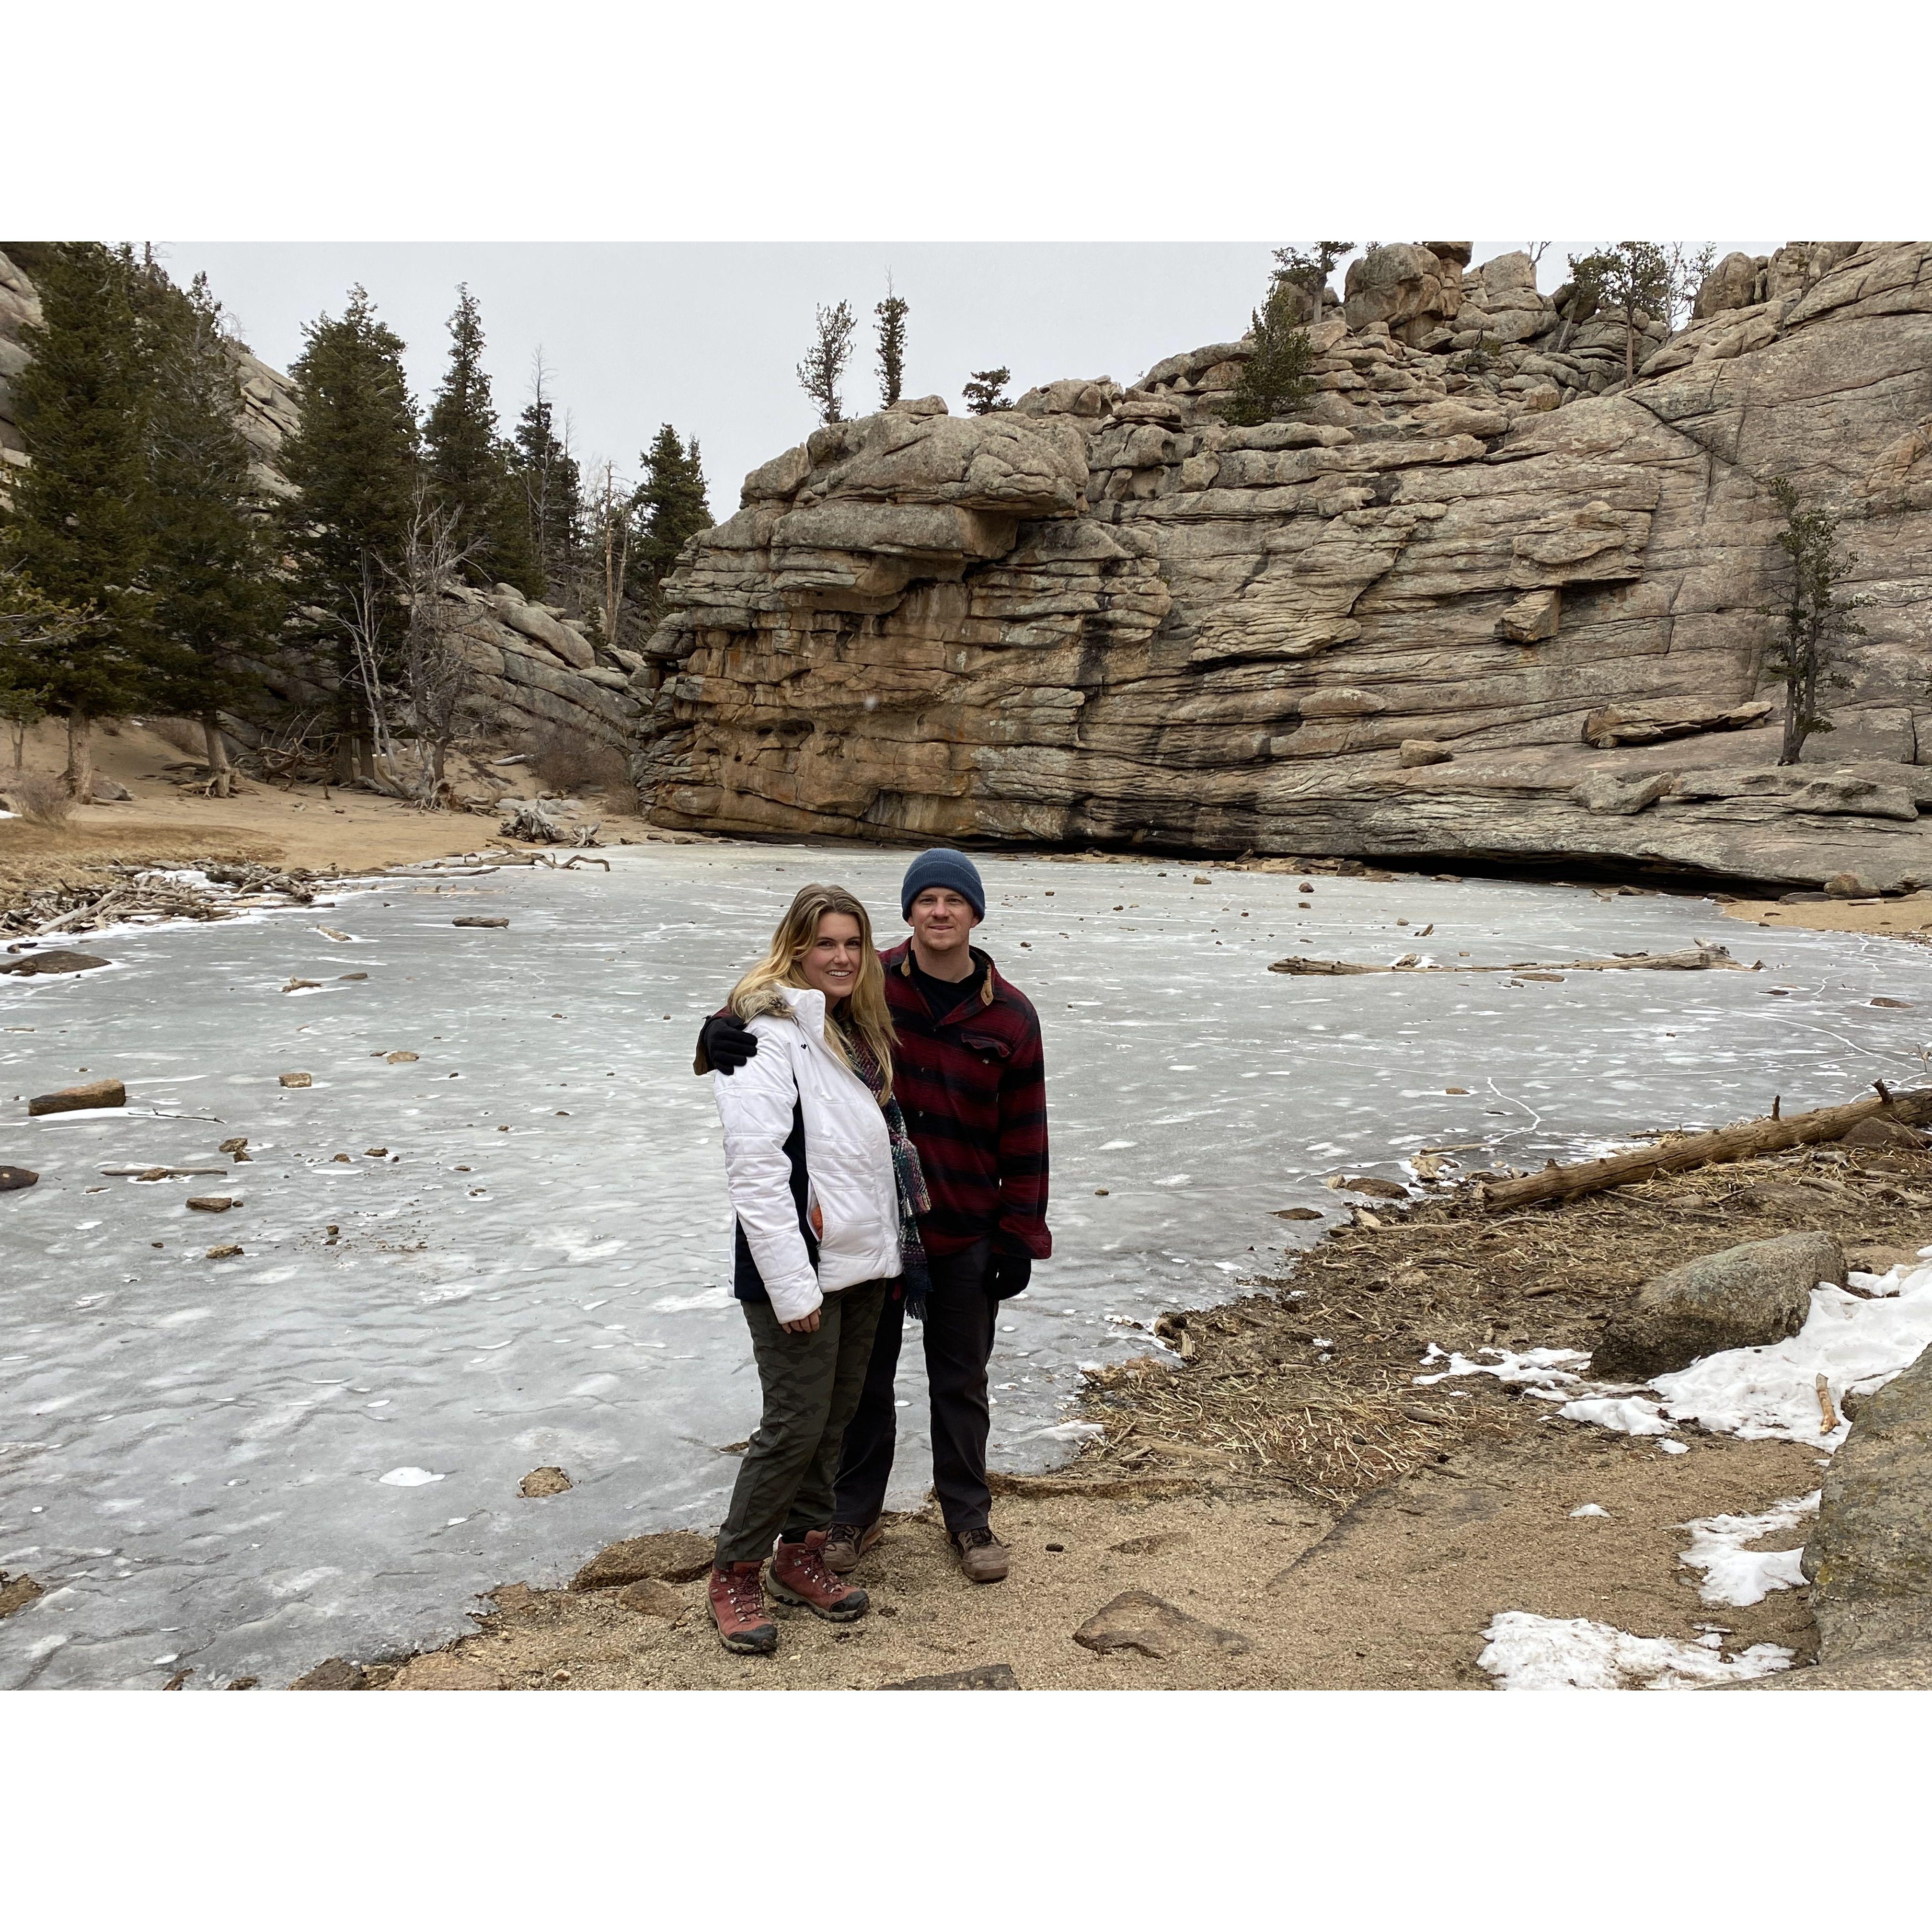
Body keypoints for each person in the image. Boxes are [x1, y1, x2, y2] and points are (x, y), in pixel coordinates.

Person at [702, 849, 1049, 1585]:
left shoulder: (1010, 1015)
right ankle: (851, 1516)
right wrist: (715, 1031)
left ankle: (968, 1517)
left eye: (955, 900)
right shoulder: (868, 984)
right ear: (909, 912)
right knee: (862, 1386)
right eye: (926, 899)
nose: (940, 911)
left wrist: (1021, 1234)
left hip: (965, 1229)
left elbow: (1026, 1133)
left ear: (976, 913)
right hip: (877, 1232)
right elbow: (779, 1007)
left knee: (961, 1382)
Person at [703, 883, 932, 1656]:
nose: (840, 957)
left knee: (833, 1419)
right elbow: (757, 1170)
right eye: (825, 943)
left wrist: (891, 1256)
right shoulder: (767, 1034)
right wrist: (791, 1283)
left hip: (863, 1260)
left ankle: (798, 1556)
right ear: (796, 948)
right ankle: (734, 1569)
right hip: (796, 1269)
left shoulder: (856, 1031)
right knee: (793, 1424)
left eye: (853, 943)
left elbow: (862, 1160)